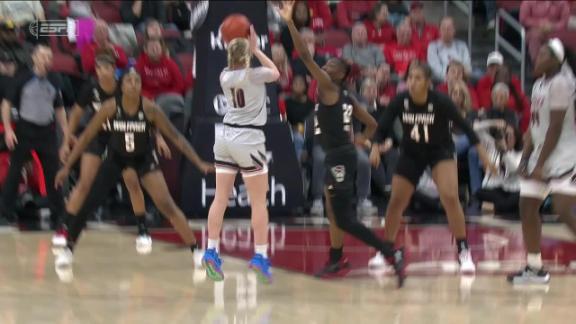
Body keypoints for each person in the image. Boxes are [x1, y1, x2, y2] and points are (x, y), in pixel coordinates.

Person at [278, 0, 405, 287]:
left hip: (338, 157)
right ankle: (337, 259)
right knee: (334, 212)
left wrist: (289, 22)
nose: (328, 63)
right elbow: (373, 123)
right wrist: (363, 139)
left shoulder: (328, 85)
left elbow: (304, 56)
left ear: (338, 74)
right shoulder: (347, 97)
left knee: (345, 218)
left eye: (333, 64)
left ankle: (391, 253)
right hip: (341, 153)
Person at [53, 68, 214, 269]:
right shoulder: (110, 107)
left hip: (143, 159)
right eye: (129, 81)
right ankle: (68, 250)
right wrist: (66, 167)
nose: (133, 84)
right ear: (122, 86)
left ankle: (197, 250)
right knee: (88, 204)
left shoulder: (150, 109)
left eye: (137, 81)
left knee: (167, 205)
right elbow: (86, 137)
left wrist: (198, 162)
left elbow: (177, 138)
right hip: (116, 158)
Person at [369, 60, 496, 274]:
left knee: (450, 197)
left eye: (417, 78)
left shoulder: (441, 101)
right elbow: (382, 127)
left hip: (440, 151)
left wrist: (483, 154)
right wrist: (374, 148)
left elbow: (466, 127)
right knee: (395, 202)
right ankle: (386, 249)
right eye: (410, 77)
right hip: (411, 152)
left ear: (428, 82)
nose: (412, 82)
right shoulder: (400, 100)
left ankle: (464, 251)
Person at [62, 54, 172, 254]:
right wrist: (66, 138)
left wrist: (159, 138)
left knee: (132, 181)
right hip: (97, 137)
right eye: (100, 68)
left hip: (120, 136)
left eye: (107, 67)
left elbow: (145, 111)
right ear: (96, 71)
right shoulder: (90, 89)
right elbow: (77, 114)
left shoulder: (125, 85)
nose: (103, 71)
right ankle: (65, 228)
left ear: (113, 70)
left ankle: (142, 229)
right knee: (85, 183)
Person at [201, 26, 280, 284]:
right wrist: (258, 49)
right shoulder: (254, 75)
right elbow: (277, 73)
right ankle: (260, 255)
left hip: (224, 136)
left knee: (220, 198)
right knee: (259, 202)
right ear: (247, 57)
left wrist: (247, 52)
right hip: (248, 138)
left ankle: (211, 250)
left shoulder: (224, 76)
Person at [507, 39, 576, 285]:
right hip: (541, 154)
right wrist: (525, 159)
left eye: (543, 54)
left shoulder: (561, 83)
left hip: (566, 156)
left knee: (563, 209)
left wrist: (538, 165)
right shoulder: (538, 85)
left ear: (557, 60)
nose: (537, 58)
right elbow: (533, 128)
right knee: (527, 207)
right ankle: (535, 268)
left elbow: (556, 128)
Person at [1, 45, 69, 231]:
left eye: (49, 57)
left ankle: (59, 213)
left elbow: (59, 109)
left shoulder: (55, 80)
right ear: (35, 58)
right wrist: (8, 130)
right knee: (14, 171)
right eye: (44, 56)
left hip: (46, 131)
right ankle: (5, 212)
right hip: (25, 130)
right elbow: (6, 105)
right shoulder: (22, 78)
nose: (48, 60)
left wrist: (66, 135)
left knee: (53, 173)